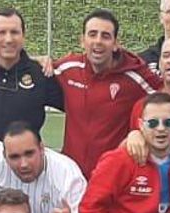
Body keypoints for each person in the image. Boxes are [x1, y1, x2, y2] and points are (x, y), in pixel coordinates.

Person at [53, 9, 160, 173]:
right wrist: (41, 60)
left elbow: (166, 98)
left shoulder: (134, 76)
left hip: (111, 176)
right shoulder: (68, 68)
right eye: (92, 34)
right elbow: (36, 70)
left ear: (116, 43)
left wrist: (139, 131)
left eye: (105, 36)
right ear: (82, 41)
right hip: (71, 176)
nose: (98, 41)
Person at [0, 123, 87, 213]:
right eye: (14, 157)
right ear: (4, 155)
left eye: (29, 154)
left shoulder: (66, 175)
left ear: (41, 148)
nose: (23, 164)